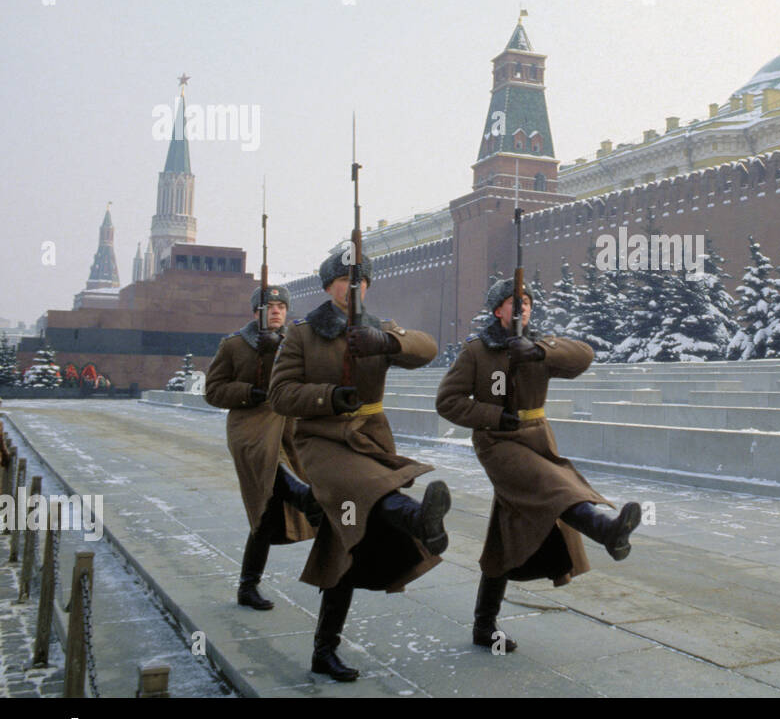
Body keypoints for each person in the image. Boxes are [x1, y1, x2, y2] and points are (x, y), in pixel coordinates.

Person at [268, 250, 451, 682]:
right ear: (328, 285)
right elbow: (281, 394)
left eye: (362, 281)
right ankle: (416, 518)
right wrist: (329, 396)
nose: (354, 288)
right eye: (345, 281)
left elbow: (427, 348)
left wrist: (387, 342)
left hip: (369, 437)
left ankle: (323, 651)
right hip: (322, 439)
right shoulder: (303, 335)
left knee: (342, 546)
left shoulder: (377, 328)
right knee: (369, 488)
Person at [435, 279, 641, 654]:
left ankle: (484, 625)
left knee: (505, 529)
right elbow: (447, 401)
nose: (523, 308)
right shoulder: (477, 351)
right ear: (498, 310)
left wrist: (538, 352)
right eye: (515, 302)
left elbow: (584, 356)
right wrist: (494, 416)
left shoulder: (539, 345)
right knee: (555, 487)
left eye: (527, 302)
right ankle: (607, 530)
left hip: (537, 438)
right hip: (497, 442)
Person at [204, 285, 322, 611]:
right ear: (255, 311)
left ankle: (247, 586)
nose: (276, 311)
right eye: (269, 306)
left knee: (265, 513)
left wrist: (282, 347)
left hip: (286, 427)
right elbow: (213, 391)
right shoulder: (234, 345)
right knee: (273, 468)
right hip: (250, 428)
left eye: (282, 306)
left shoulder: (294, 342)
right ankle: (307, 499)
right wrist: (248, 391)